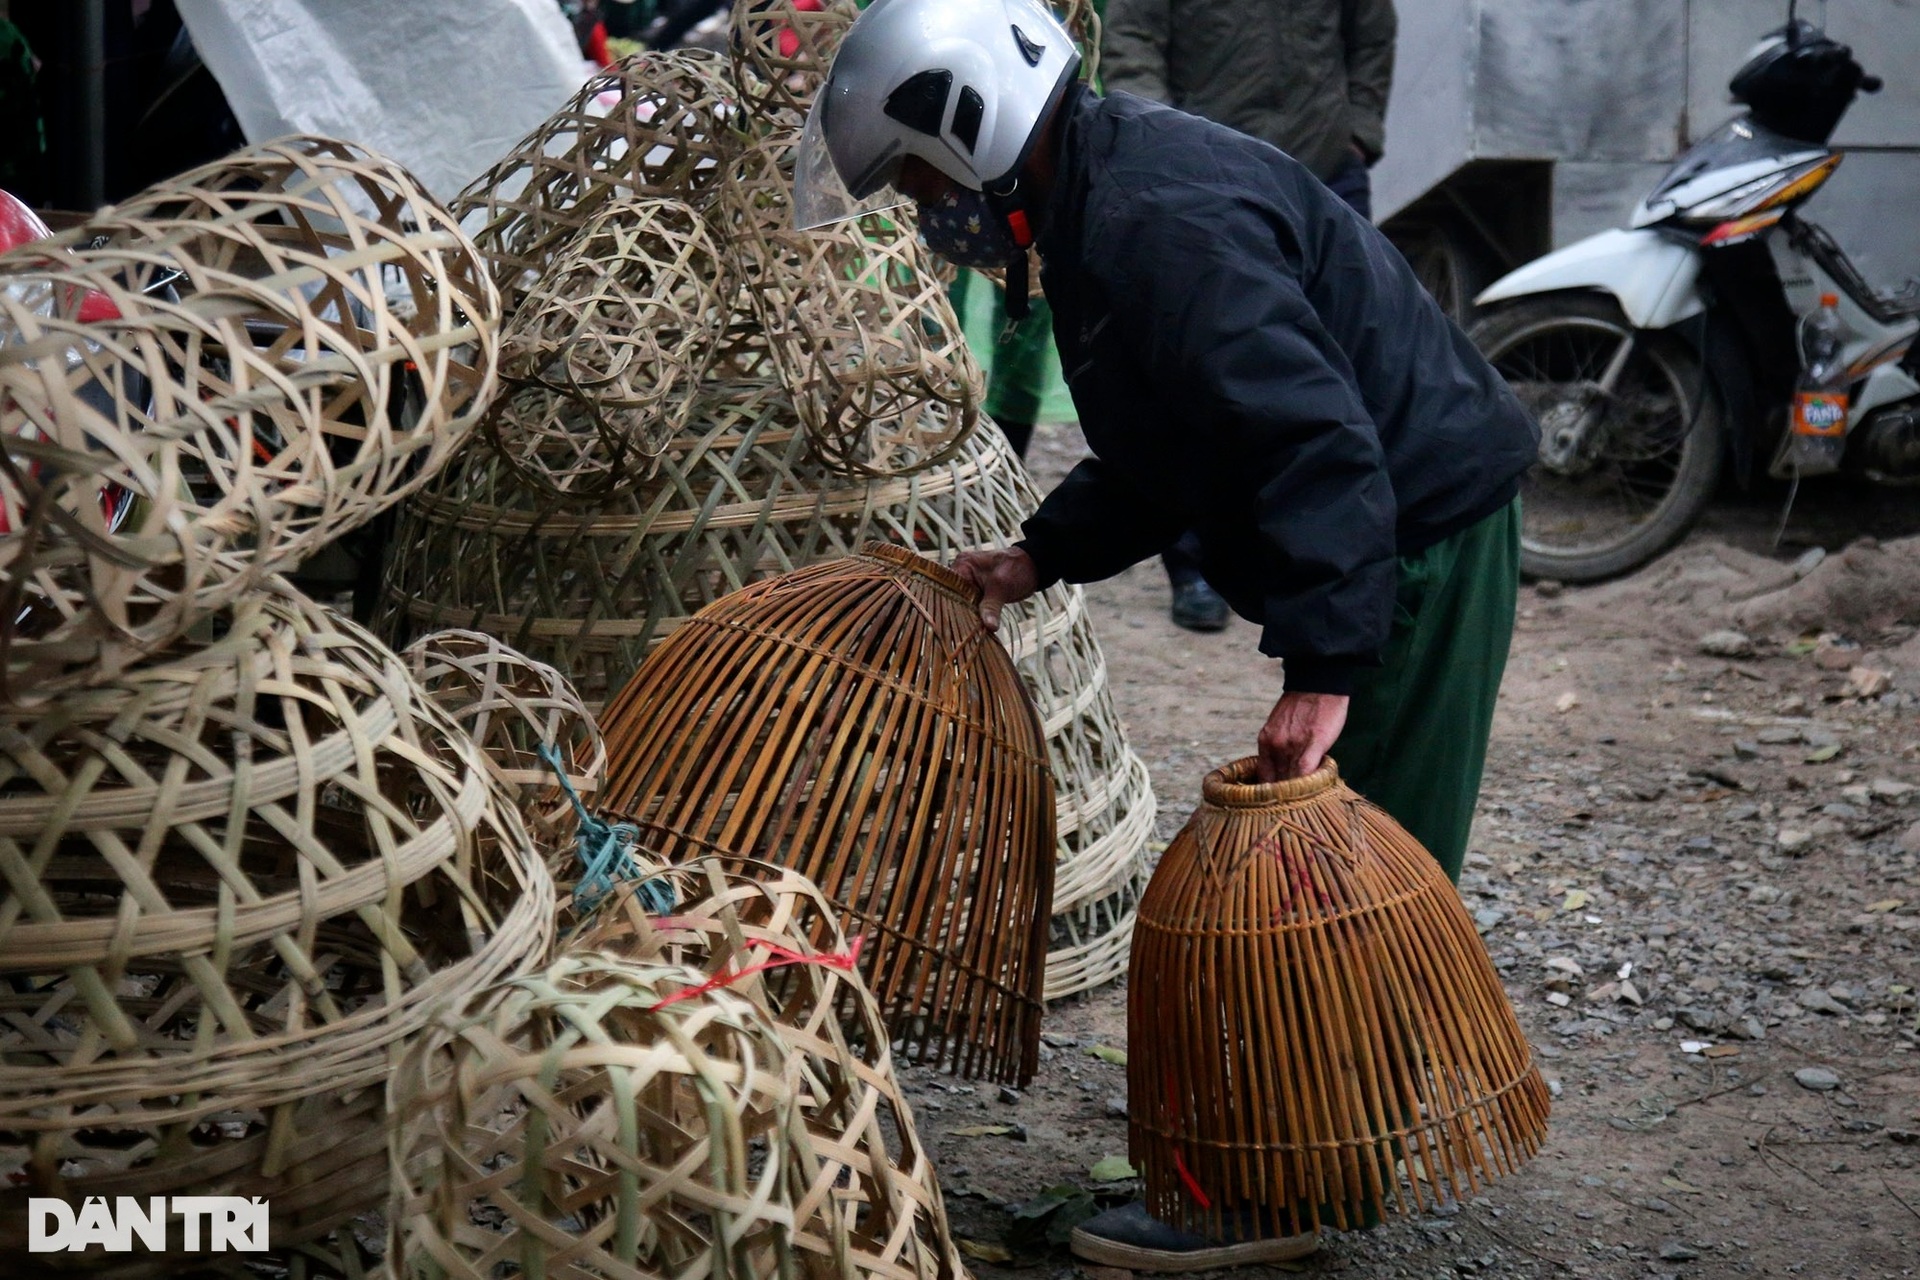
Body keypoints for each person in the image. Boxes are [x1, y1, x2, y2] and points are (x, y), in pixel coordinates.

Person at [795, 0, 1536, 1264]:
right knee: (1324, 867)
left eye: (920, 182)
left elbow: (1312, 438)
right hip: (1386, 524)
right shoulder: (1102, 196)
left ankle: (1297, 1190)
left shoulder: (1156, 224)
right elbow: (1177, 436)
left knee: (1340, 880)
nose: (926, 214)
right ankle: (1292, 1151)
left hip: (1418, 537)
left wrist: (1325, 667)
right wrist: (1042, 552)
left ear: (973, 130)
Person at [1101, 0, 1398, 631]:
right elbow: (1131, 42)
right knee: (1199, 367)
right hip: (1207, 174)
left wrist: (1359, 129)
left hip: (1323, 164)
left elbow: (1371, 28)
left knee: (1347, 364)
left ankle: (1331, 559)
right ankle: (1195, 564)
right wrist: (1164, 143)